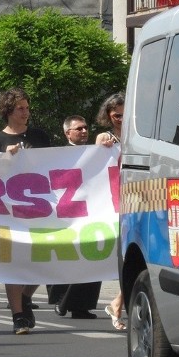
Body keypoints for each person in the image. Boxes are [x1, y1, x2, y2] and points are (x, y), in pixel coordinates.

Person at [0, 87, 51, 334]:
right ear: (8, 112)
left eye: (27, 107)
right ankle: (18, 316)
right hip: (9, 212)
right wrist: (3, 158)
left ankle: (25, 296)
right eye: (20, 108)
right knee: (12, 263)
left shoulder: (40, 136)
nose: (26, 112)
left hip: (41, 209)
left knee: (44, 259)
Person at [47, 114, 111, 319]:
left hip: (91, 212)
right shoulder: (58, 155)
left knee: (93, 257)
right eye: (79, 128)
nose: (84, 131)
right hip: (66, 215)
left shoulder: (96, 153)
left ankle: (81, 306)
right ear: (68, 133)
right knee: (67, 259)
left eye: (85, 128)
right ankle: (61, 300)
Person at [95, 93, 126, 330]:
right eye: (116, 115)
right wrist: (102, 147)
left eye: (125, 115)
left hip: (140, 197)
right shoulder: (104, 138)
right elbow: (96, 161)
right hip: (114, 203)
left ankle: (117, 303)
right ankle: (117, 303)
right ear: (108, 115)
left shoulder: (136, 133)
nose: (121, 120)